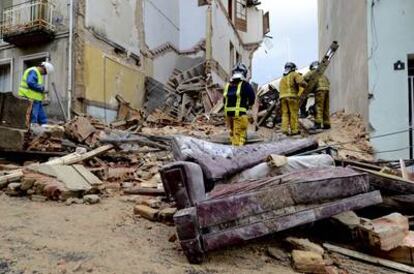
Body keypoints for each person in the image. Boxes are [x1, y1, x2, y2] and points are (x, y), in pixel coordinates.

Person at [223, 63, 256, 146]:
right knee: (239, 136)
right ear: (244, 73)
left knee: (233, 134)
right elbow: (252, 97)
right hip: (240, 115)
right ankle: (238, 154)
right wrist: (248, 105)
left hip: (228, 115)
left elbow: (224, 100)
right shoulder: (245, 85)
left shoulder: (227, 85)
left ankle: (233, 150)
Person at [18, 62, 54, 126]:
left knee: (40, 113)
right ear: (43, 68)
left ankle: (43, 123)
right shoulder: (33, 71)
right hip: (30, 96)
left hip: (36, 98)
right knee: (34, 112)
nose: (44, 74)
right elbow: (30, 82)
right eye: (45, 72)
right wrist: (41, 88)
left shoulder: (36, 73)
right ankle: (33, 124)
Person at [279, 62, 307, 136]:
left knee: (285, 114)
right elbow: (301, 82)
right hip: (292, 97)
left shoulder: (282, 78)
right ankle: (294, 130)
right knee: (293, 114)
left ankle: (284, 130)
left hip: (282, 98)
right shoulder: (294, 74)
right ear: (293, 68)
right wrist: (307, 86)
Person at [305, 61, 331, 130]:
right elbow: (328, 82)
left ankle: (318, 124)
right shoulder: (322, 74)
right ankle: (326, 124)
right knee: (326, 107)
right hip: (327, 90)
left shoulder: (313, 72)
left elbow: (305, 78)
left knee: (318, 107)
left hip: (319, 90)